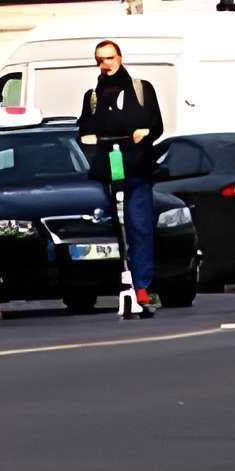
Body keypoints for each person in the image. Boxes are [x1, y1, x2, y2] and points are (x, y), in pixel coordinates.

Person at [76, 39, 165, 310]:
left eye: (109, 58)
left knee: (139, 226)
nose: (105, 64)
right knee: (110, 227)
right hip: (108, 168)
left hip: (136, 167)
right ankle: (117, 281)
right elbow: (83, 129)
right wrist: (89, 138)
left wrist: (144, 134)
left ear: (120, 58)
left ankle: (142, 285)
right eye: (100, 60)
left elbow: (157, 125)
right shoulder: (93, 95)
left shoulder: (140, 88)